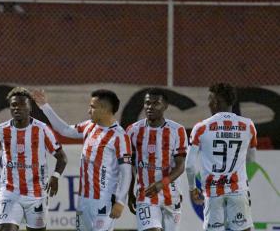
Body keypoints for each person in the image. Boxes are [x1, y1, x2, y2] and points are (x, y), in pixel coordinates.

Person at [32, 89, 132, 231]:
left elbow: (126, 173)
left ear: (104, 108)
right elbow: (65, 129)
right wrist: (44, 106)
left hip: (103, 201)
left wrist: (121, 201)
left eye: (92, 107)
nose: (88, 111)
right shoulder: (89, 126)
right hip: (83, 199)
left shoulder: (119, 137)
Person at [0, 87, 68, 231]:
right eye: (14, 104)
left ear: (30, 108)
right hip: (9, 192)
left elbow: (62, 157)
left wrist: (55, 176)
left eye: (22, 104)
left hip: (36, 194)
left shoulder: (42, 129)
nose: (17, 108)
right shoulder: (2, 130)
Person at [185, 83, 256, 231]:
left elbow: (189, 165)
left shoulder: (202, 127)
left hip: (212, 191)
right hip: (238, 189)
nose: (209, 103)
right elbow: (251, 160)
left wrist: (192, 188)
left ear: (216, 102)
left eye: (210, 99)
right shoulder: (248, 125)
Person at [126, 88, 187, 231]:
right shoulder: (133, 130)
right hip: (145, 195)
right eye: (147, 103)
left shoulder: (177, 130)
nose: (150, 107)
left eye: (156, 103)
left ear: (165, 106)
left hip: (171, 195)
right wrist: (130, 193)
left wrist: (162, 183)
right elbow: (130, 166)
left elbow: (180, 166)